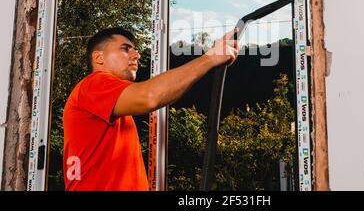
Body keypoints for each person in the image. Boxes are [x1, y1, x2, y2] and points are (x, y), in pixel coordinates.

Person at [63, 27, 239, 191]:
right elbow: (150, 96)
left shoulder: (109, 104)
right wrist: (209, 58)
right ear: (98, 58)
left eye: (135, 49)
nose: (136, 54)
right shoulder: (94, 85)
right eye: (125, 49)